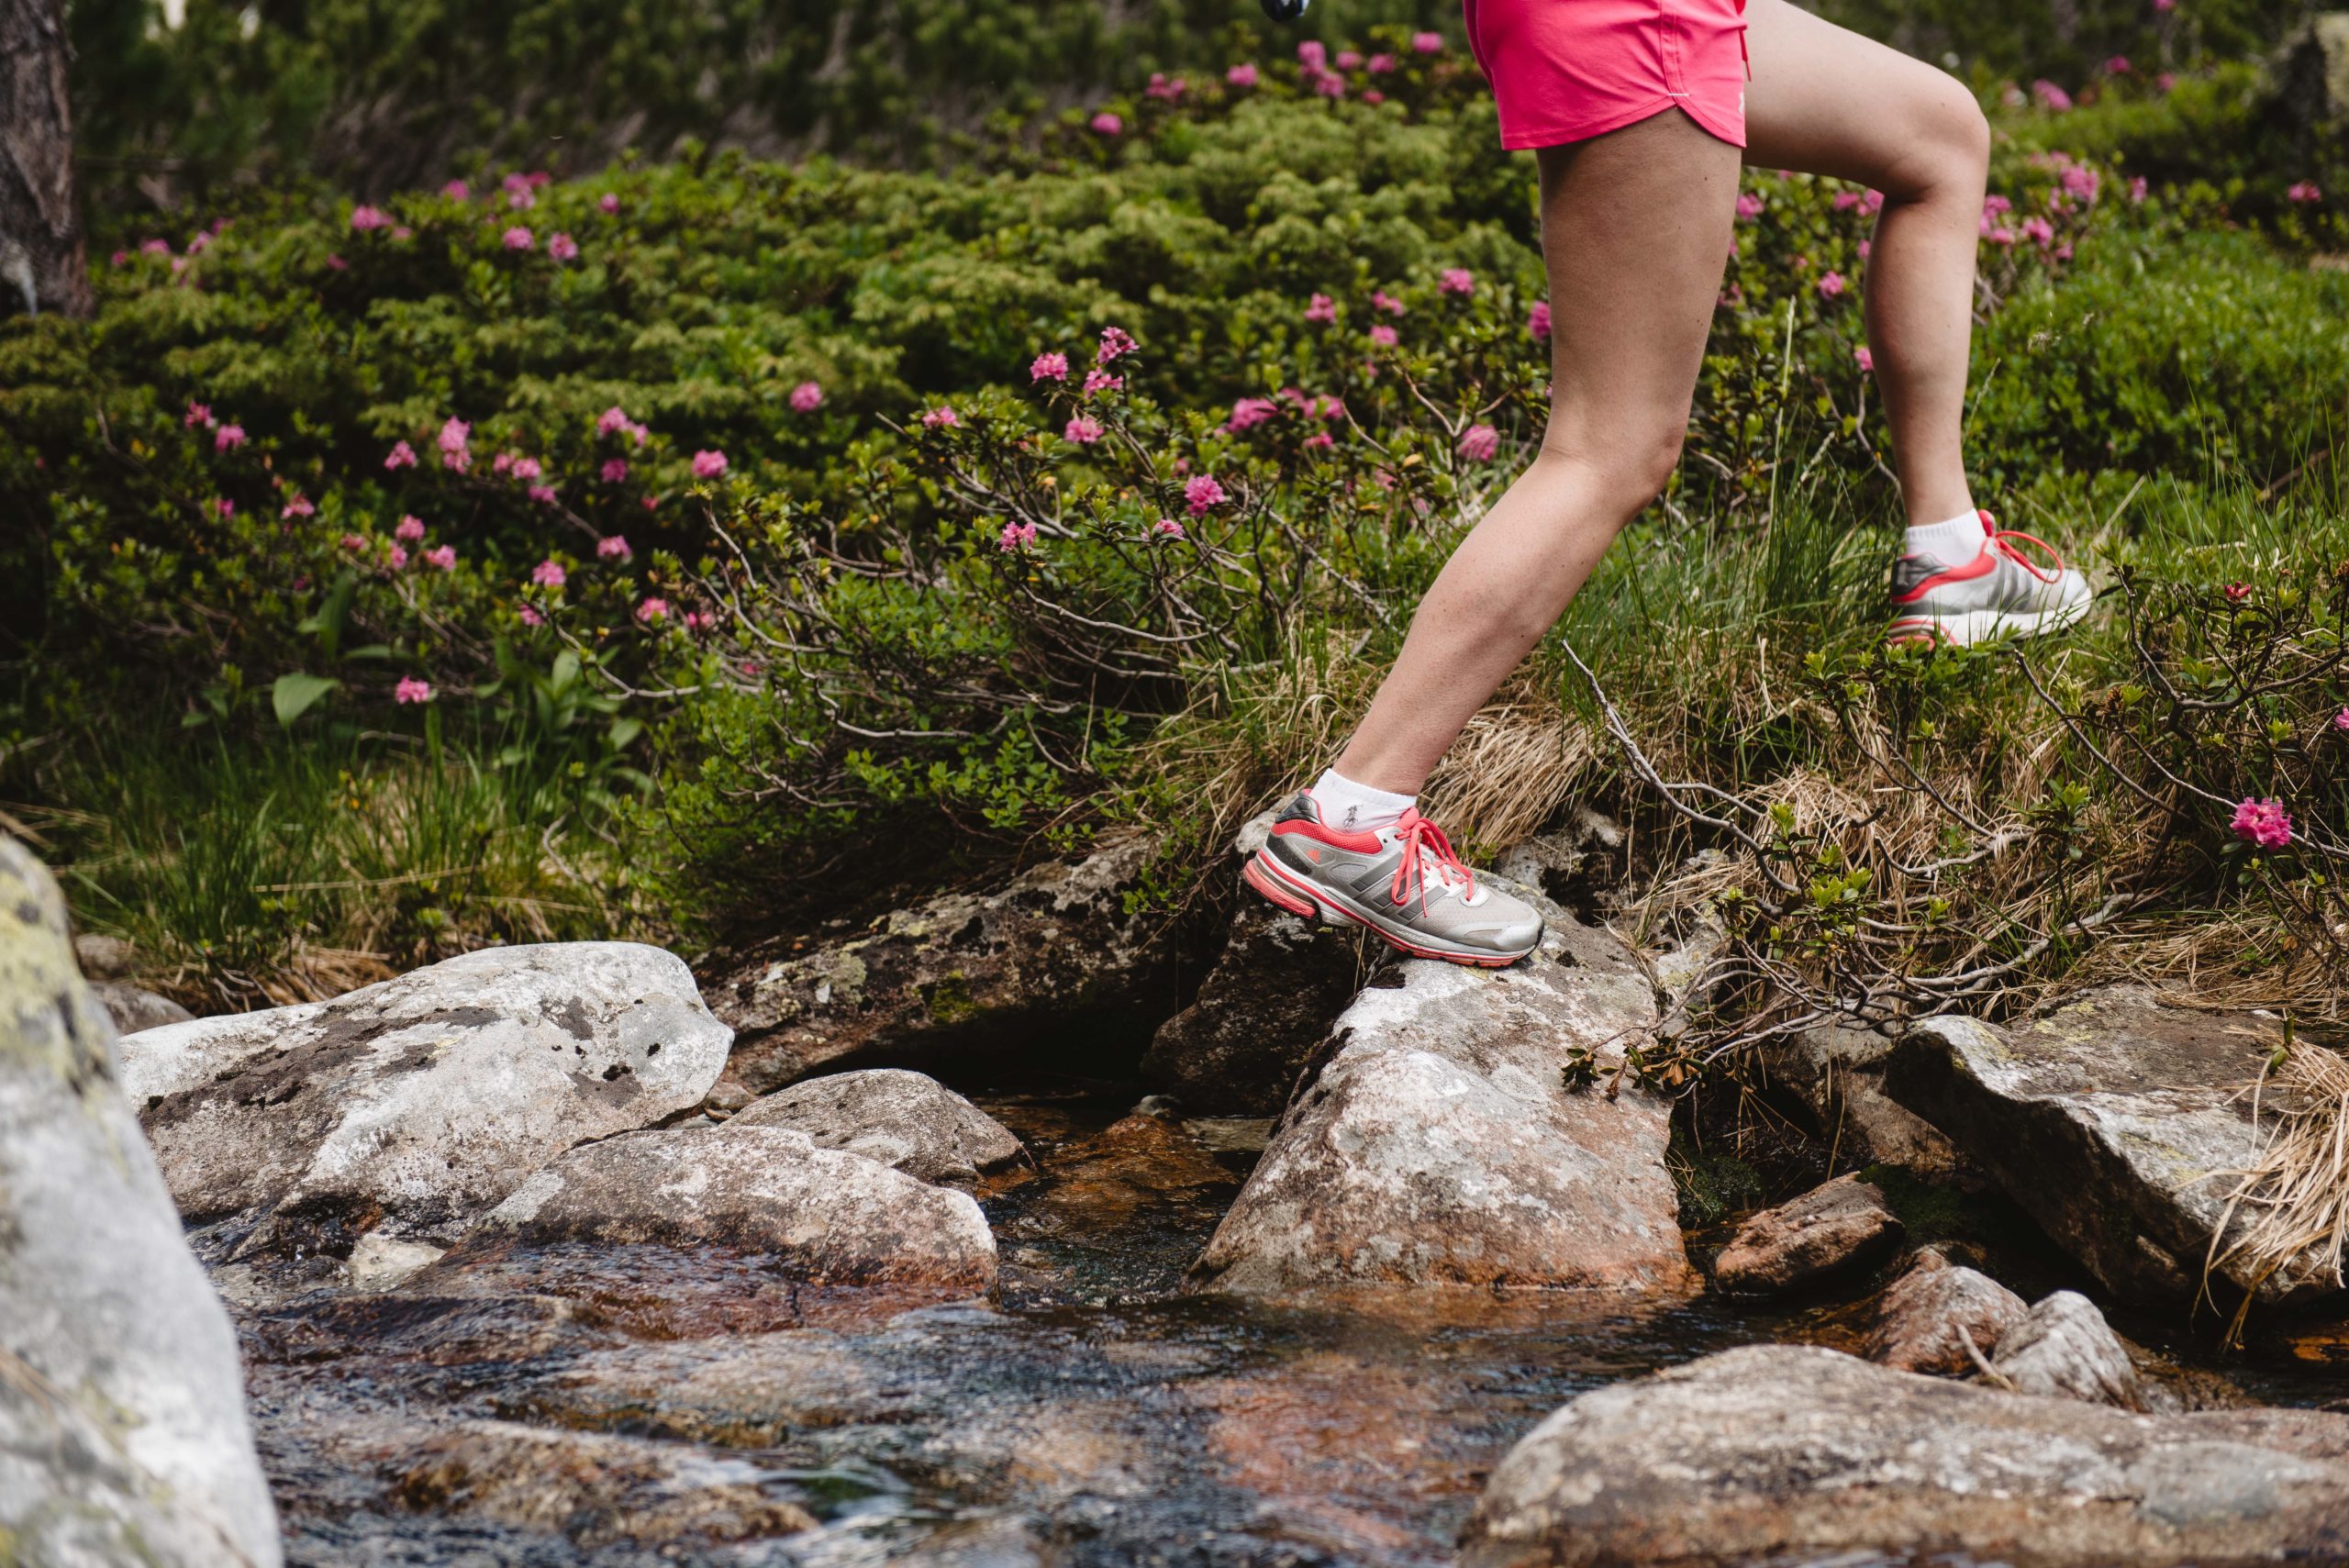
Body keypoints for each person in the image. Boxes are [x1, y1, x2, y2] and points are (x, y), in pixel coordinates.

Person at [1244, 0, 2092, 967]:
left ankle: (1954, 559)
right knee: (1611, 447)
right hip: (1632, 18)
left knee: (1939, 132)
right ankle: (1355, 815)